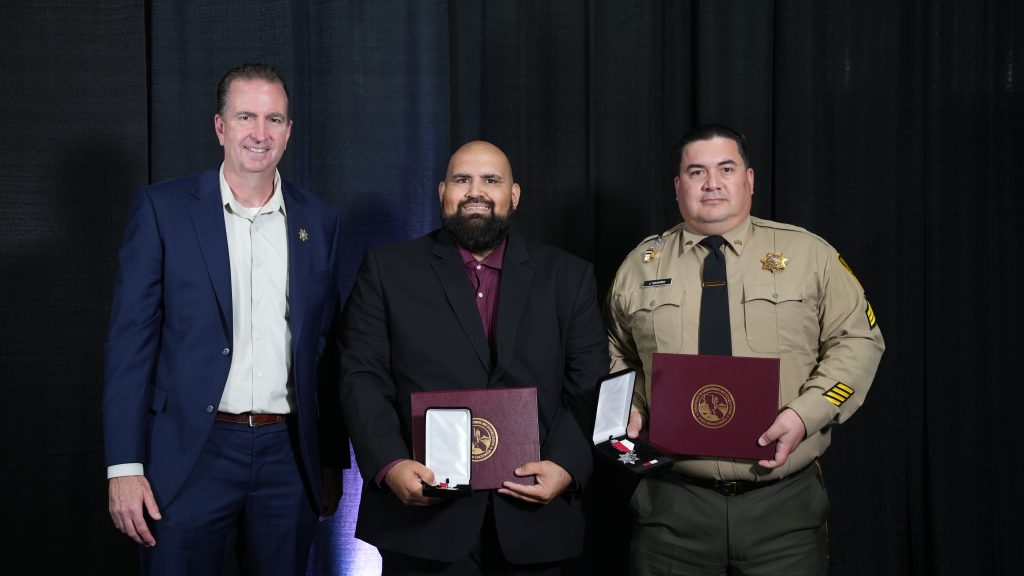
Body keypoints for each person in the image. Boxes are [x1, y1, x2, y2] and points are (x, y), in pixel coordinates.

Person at [606, 123, 885, 575]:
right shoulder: (639, 266)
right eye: (696, 171)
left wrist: (804, 415)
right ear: (678, 186)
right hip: (672, 509)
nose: (711, 182)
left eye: (726, 168)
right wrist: (630, 407)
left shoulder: (809, 254)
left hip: (782, 507)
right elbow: (620, 350)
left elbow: (859, 340)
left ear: (749, 180)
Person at [103, 63, 346, 575]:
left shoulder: (318, 221)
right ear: (220, 126)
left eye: (274, 118)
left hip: (288, 458)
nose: (260, 133)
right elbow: (130, 346)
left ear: (289, 131)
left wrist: (329, 459)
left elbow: (328, 348)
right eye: (246, 117)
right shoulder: (162, 209)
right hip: (191, 454)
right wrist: (123, 467)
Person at [339, 141, 608, 575]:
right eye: (462, 180)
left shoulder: (569, 276)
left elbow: (589, 383)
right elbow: (361, 376)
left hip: (535, 520)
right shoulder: (387, 270)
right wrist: (389, 464)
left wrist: (565, 466)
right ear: (443, 191)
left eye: (491, 180)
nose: (475, 191)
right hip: (423, 520)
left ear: (514, 195)